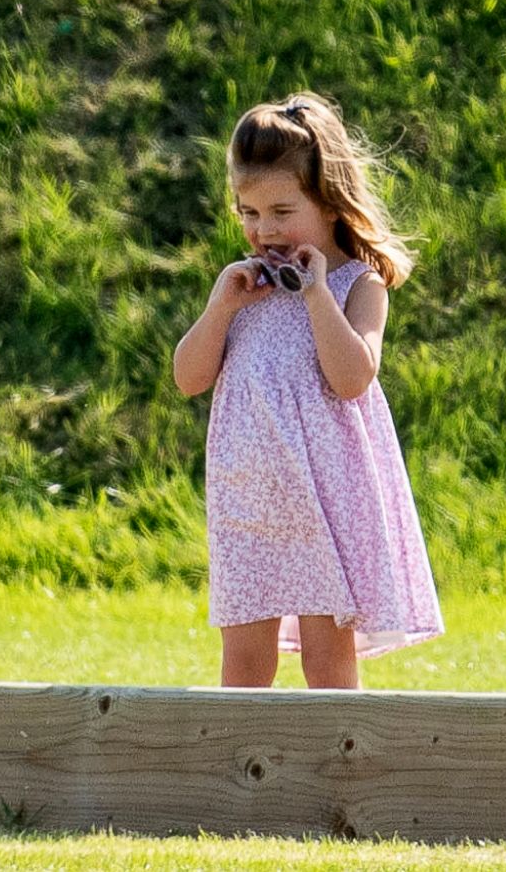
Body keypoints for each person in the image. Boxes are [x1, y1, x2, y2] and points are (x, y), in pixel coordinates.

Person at [172, 92, 443, 690]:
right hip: (248, 506)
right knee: (243, 664)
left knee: (327, 660)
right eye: (248, 213)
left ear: (328, 201)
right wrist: (220, 306)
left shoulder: (357, 284)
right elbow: (188, 377)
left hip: (325, 505)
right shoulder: (246, 289)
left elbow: (351, 377)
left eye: (280, 211)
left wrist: (318, 293)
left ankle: (339, 779)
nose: (263, 231)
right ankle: (244, 777)